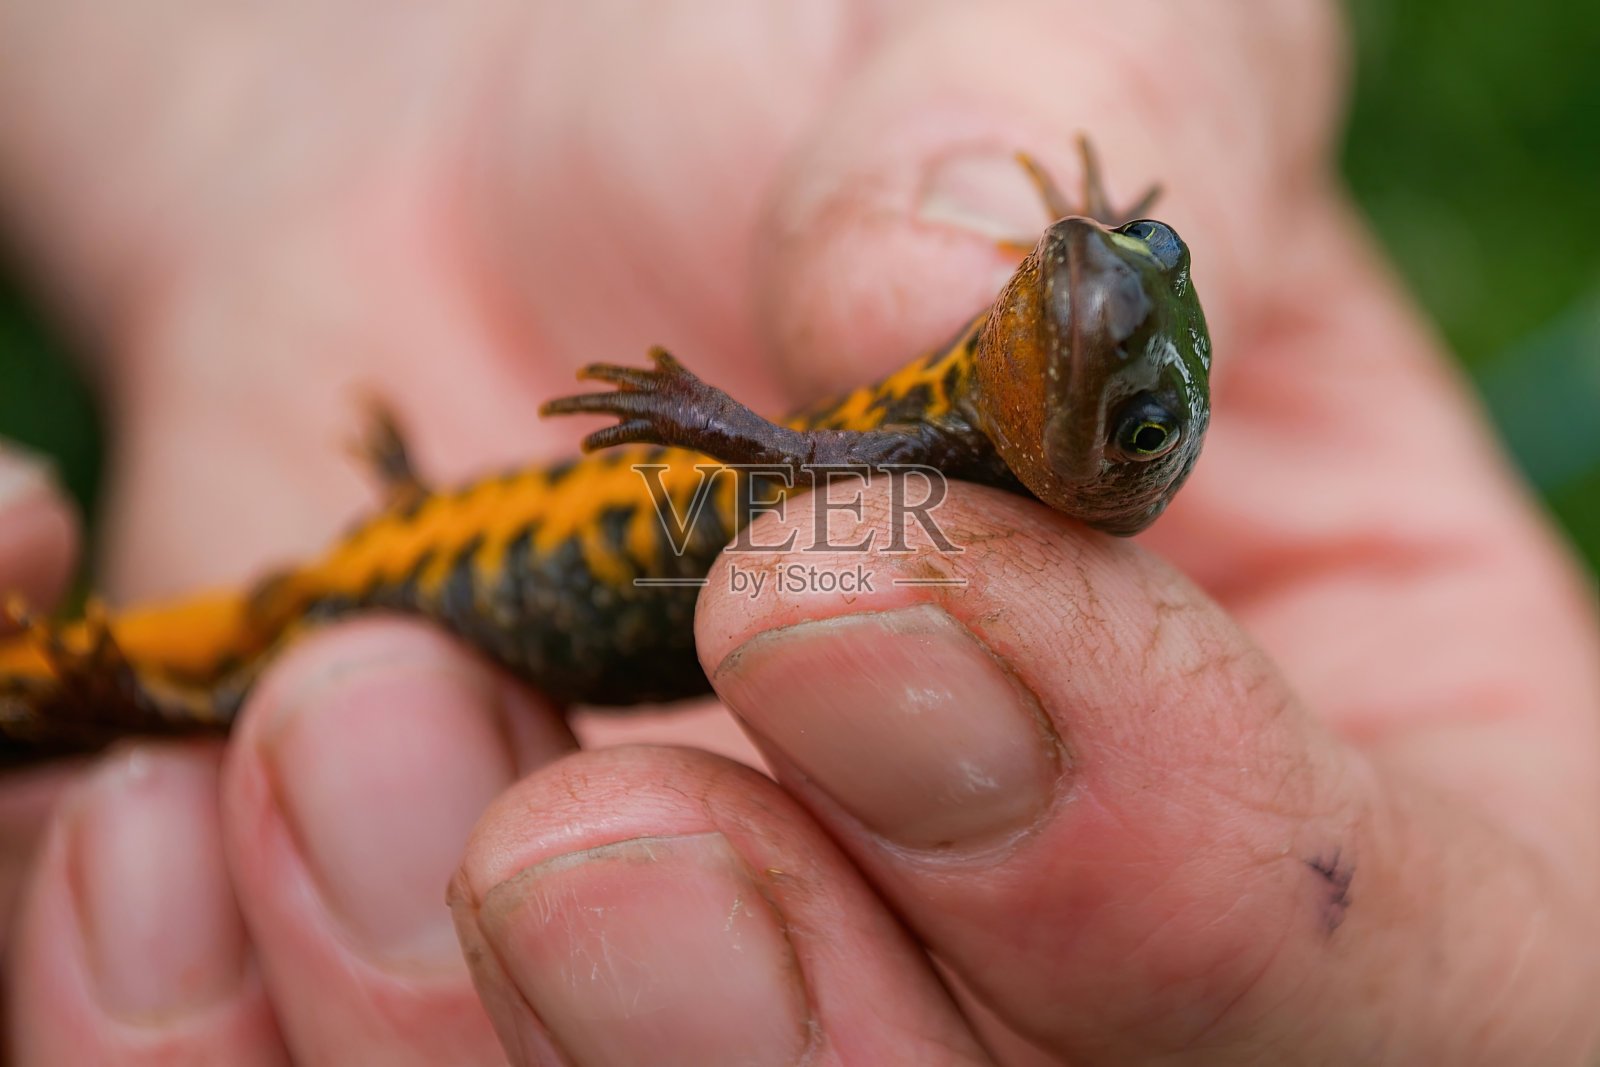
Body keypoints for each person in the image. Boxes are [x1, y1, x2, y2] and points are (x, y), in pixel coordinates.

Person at [0, 1, 1596, 1063]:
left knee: (194, 674)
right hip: (443, 559)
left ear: (1090, 473)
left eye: (1135, 418)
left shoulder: (952, 470)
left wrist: (716, 428)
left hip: (455, 596)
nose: (1095, 289)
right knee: (275, 631)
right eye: (1123, 247)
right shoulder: (974, 381)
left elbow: (802, 476)